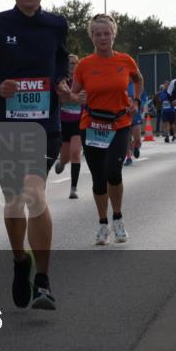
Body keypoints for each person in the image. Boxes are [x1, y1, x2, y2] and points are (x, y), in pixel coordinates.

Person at [0, 0, 69, 310]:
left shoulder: (57, 24)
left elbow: (60, 62)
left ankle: (43, 279)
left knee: (34, 194)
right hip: (7, 125)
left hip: (45, 125)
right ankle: (19, 260)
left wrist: (61, 82)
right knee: (14, 200)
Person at [68, 14, 142, 244]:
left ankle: (118, 218)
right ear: (91, 37)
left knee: (113, 170)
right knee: (98, 178)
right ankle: (103, 224)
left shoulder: (125, 60)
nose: (102, 37)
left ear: (113, 35)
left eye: (106, 33)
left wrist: (136, 101)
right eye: (97, 34)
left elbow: (138, 79)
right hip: (92, 125)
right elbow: (73, 92)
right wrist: (76, 97)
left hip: (119, 123)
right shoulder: (84, 65)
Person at [54, 54, 83, 198]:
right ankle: (62, 162)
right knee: (66, 157)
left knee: (76, 154)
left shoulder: (82, 81)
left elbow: (85, 99)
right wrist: (74, 97)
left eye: (74, 63)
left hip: (78, 123)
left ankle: (73, 189)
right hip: (63, 122)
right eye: (69, 64)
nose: (72, 66)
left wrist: (75, 98)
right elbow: (62, 98)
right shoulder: (61, 80)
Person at [125, 80, 149, 166]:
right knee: (126, 138)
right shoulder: (122, 83)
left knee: (137, 139)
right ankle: (128, 157)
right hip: (124, 115)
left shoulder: (137, 84)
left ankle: (135, 147)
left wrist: (138, 104)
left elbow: (144, 98)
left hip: (136, 115)